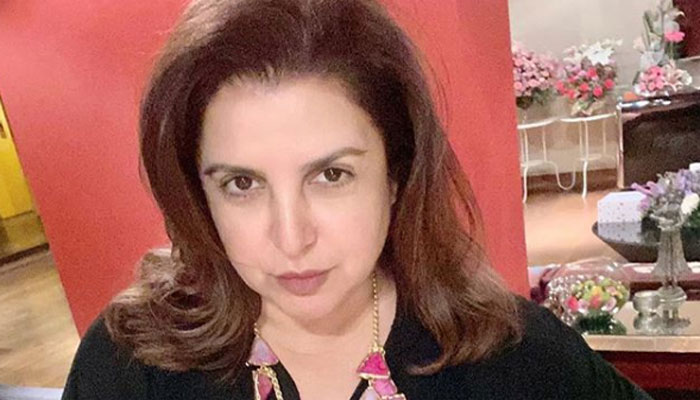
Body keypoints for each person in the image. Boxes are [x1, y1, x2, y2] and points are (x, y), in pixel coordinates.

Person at [61, 0, 652, 399]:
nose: (291, 238)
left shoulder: (513, 358)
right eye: (242, 184)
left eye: (331, 175)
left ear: (395, 174)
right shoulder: (131, 366)